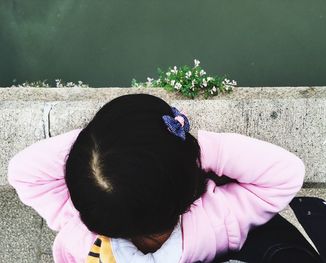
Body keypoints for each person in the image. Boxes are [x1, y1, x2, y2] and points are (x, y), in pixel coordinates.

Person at [7, 93, 306, 263]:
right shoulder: (220, 223)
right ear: (189, 179)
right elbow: (286, 174)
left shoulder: (78, 233)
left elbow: (23, 171)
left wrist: (96, 143)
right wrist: (206, 150)